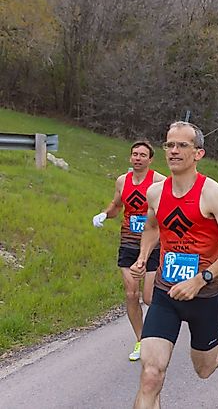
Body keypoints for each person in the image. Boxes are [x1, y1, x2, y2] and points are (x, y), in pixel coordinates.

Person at [129, 122, 218, 408]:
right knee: (151, 375)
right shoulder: (155, 193)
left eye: (182, 145)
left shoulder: (213, 194)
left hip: (204, 295)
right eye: (169, 144)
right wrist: (144, 256)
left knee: (203, 370)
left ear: (198, 153)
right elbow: (153, 227)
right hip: (165, 293)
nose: (174, 150)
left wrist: (200, 279)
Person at [92, 141, 166, 362]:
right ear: (130, 157)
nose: (138, 158)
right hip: (128, 244)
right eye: (135, 154)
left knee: (150, 297)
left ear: (150, 159)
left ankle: (159, 335)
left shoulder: (159, 182)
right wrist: (105, 214)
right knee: (131, 295)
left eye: (143, 155)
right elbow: (116, 206)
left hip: (153, 245)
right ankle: (141, 341)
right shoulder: (122, 181)